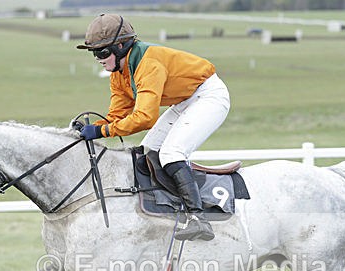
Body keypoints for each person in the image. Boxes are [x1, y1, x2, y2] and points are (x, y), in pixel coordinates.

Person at [75, 13, 230, 241]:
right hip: (185, 100)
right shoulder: (119, 73)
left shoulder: (148, 64)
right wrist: (91, 128)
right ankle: (165, 207)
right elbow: (117, 115)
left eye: (102, 52)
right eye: (94, 53)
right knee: (148, 150)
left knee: (171, 153)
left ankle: (198, 218)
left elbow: (145, 118)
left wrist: (102, 132)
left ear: (121, 46)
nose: (98, 58)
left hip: (209, 96)